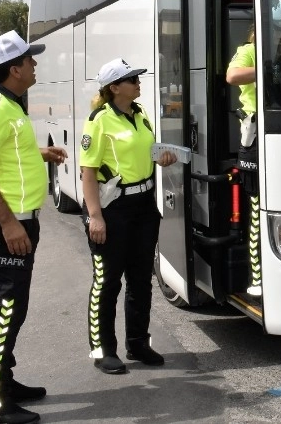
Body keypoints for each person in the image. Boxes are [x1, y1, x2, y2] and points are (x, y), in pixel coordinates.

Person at [0, 30, 68, 424]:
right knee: (5, 312)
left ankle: (2, 383)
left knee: (15, 310)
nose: (35, 64)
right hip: (3, 230)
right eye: (30, 59)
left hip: (21, 226)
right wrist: (9, 223)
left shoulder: (11, 104)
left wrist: (39, 151)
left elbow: (6, 151)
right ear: (15, 69)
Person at [79, 58, 177, 375]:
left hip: (143, 207)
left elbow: (144, 152)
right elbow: (88, 173)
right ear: (114, 87)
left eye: (137, 78)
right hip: (112, 209)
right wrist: (95, 216)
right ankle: (102, 350)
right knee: (107, 284)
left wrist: (161, 158)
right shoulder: (98, 120)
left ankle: (137, 343)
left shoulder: (140, 114)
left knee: (140, 281)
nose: (138, 82)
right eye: (132, 79)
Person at [225, 1, 281, 298]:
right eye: (276, 30)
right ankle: (258, 277)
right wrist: (266, 66)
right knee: (256, 206)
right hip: (255, 134)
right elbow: (232, 77)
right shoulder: (248, 50)